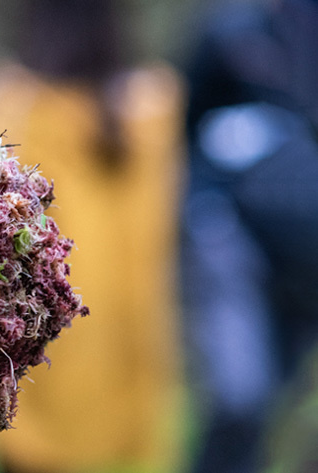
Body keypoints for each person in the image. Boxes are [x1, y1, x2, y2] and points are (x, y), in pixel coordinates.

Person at [0, 1, 185, 471]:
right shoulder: (152, 101)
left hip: (39, 325)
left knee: (26, 448)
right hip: (118, 332)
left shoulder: (12, 97)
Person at [180, 1, 318, 472]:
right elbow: (183, 126)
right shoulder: (235, 33)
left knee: (274, 401)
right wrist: (203, 212)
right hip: (231, 242)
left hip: (305, 263)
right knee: (240, 398)